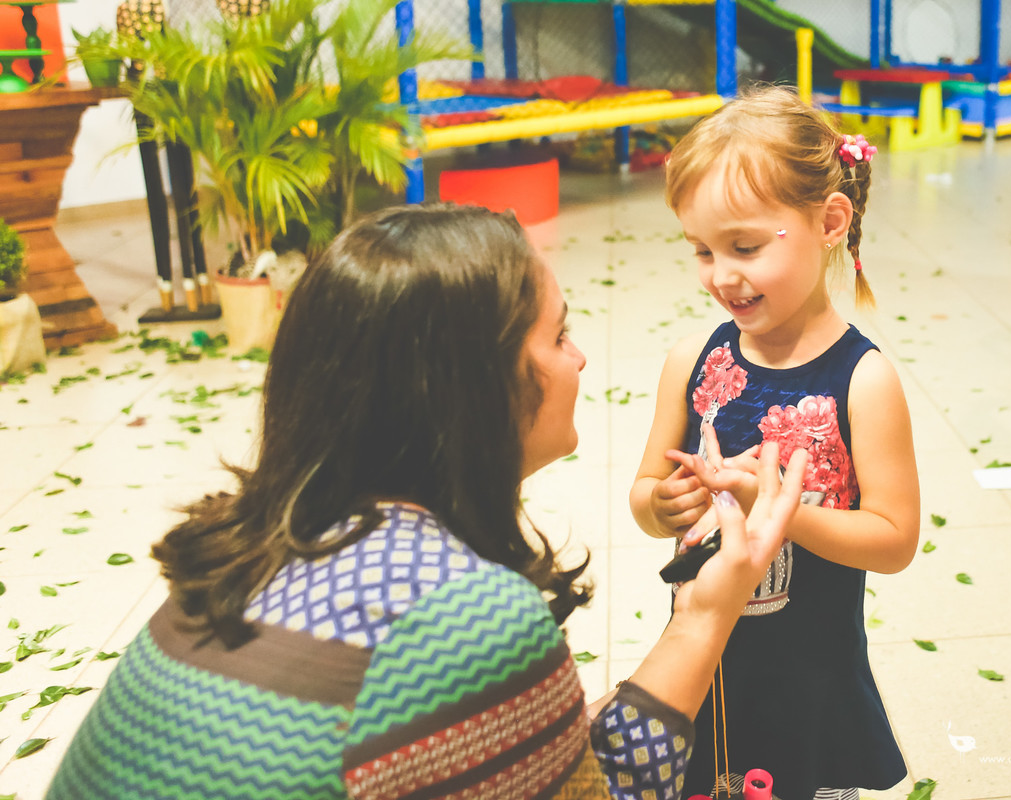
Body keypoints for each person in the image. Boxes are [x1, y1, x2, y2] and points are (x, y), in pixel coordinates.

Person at [46, 203, 808, 800]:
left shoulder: (248, 544)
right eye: (558, 336)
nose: (579, 358)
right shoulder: (465, 617)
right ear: (471, 388)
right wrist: (709, 612)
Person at [629, 86, 921, 799]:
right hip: (701, 663)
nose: (721, 275)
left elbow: (894, 540)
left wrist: (781, 511)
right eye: (702, 250)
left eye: (746, 247)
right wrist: (662, 505)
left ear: (829, 221)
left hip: (810, 672)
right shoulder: (692, 358)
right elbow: (643, 496)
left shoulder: (864, 380)